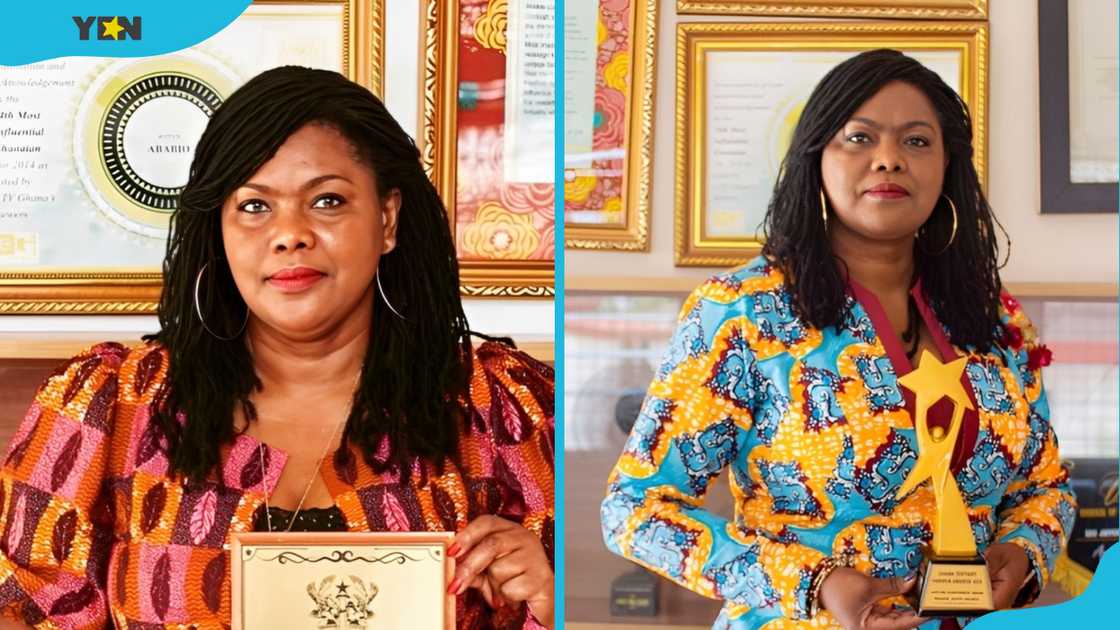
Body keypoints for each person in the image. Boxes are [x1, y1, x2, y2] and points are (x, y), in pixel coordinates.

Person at [0, 66, 554, 629]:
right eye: (255, 206)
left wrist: (554, 606)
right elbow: (16, 609)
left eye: (328, 201)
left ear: (387, 219)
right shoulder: (110, 408)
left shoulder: (502, 409)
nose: (290, 234)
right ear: (217, 227)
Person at [601, 49, 1075, 629]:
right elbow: (636, 510)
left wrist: (1024, 554)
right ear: (816, 158)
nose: (889, 161)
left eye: (917, 142)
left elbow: (1045, 486)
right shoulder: (742, 312)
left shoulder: (995, 320)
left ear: (948, 167)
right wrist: (817, 585)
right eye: (859, 138)